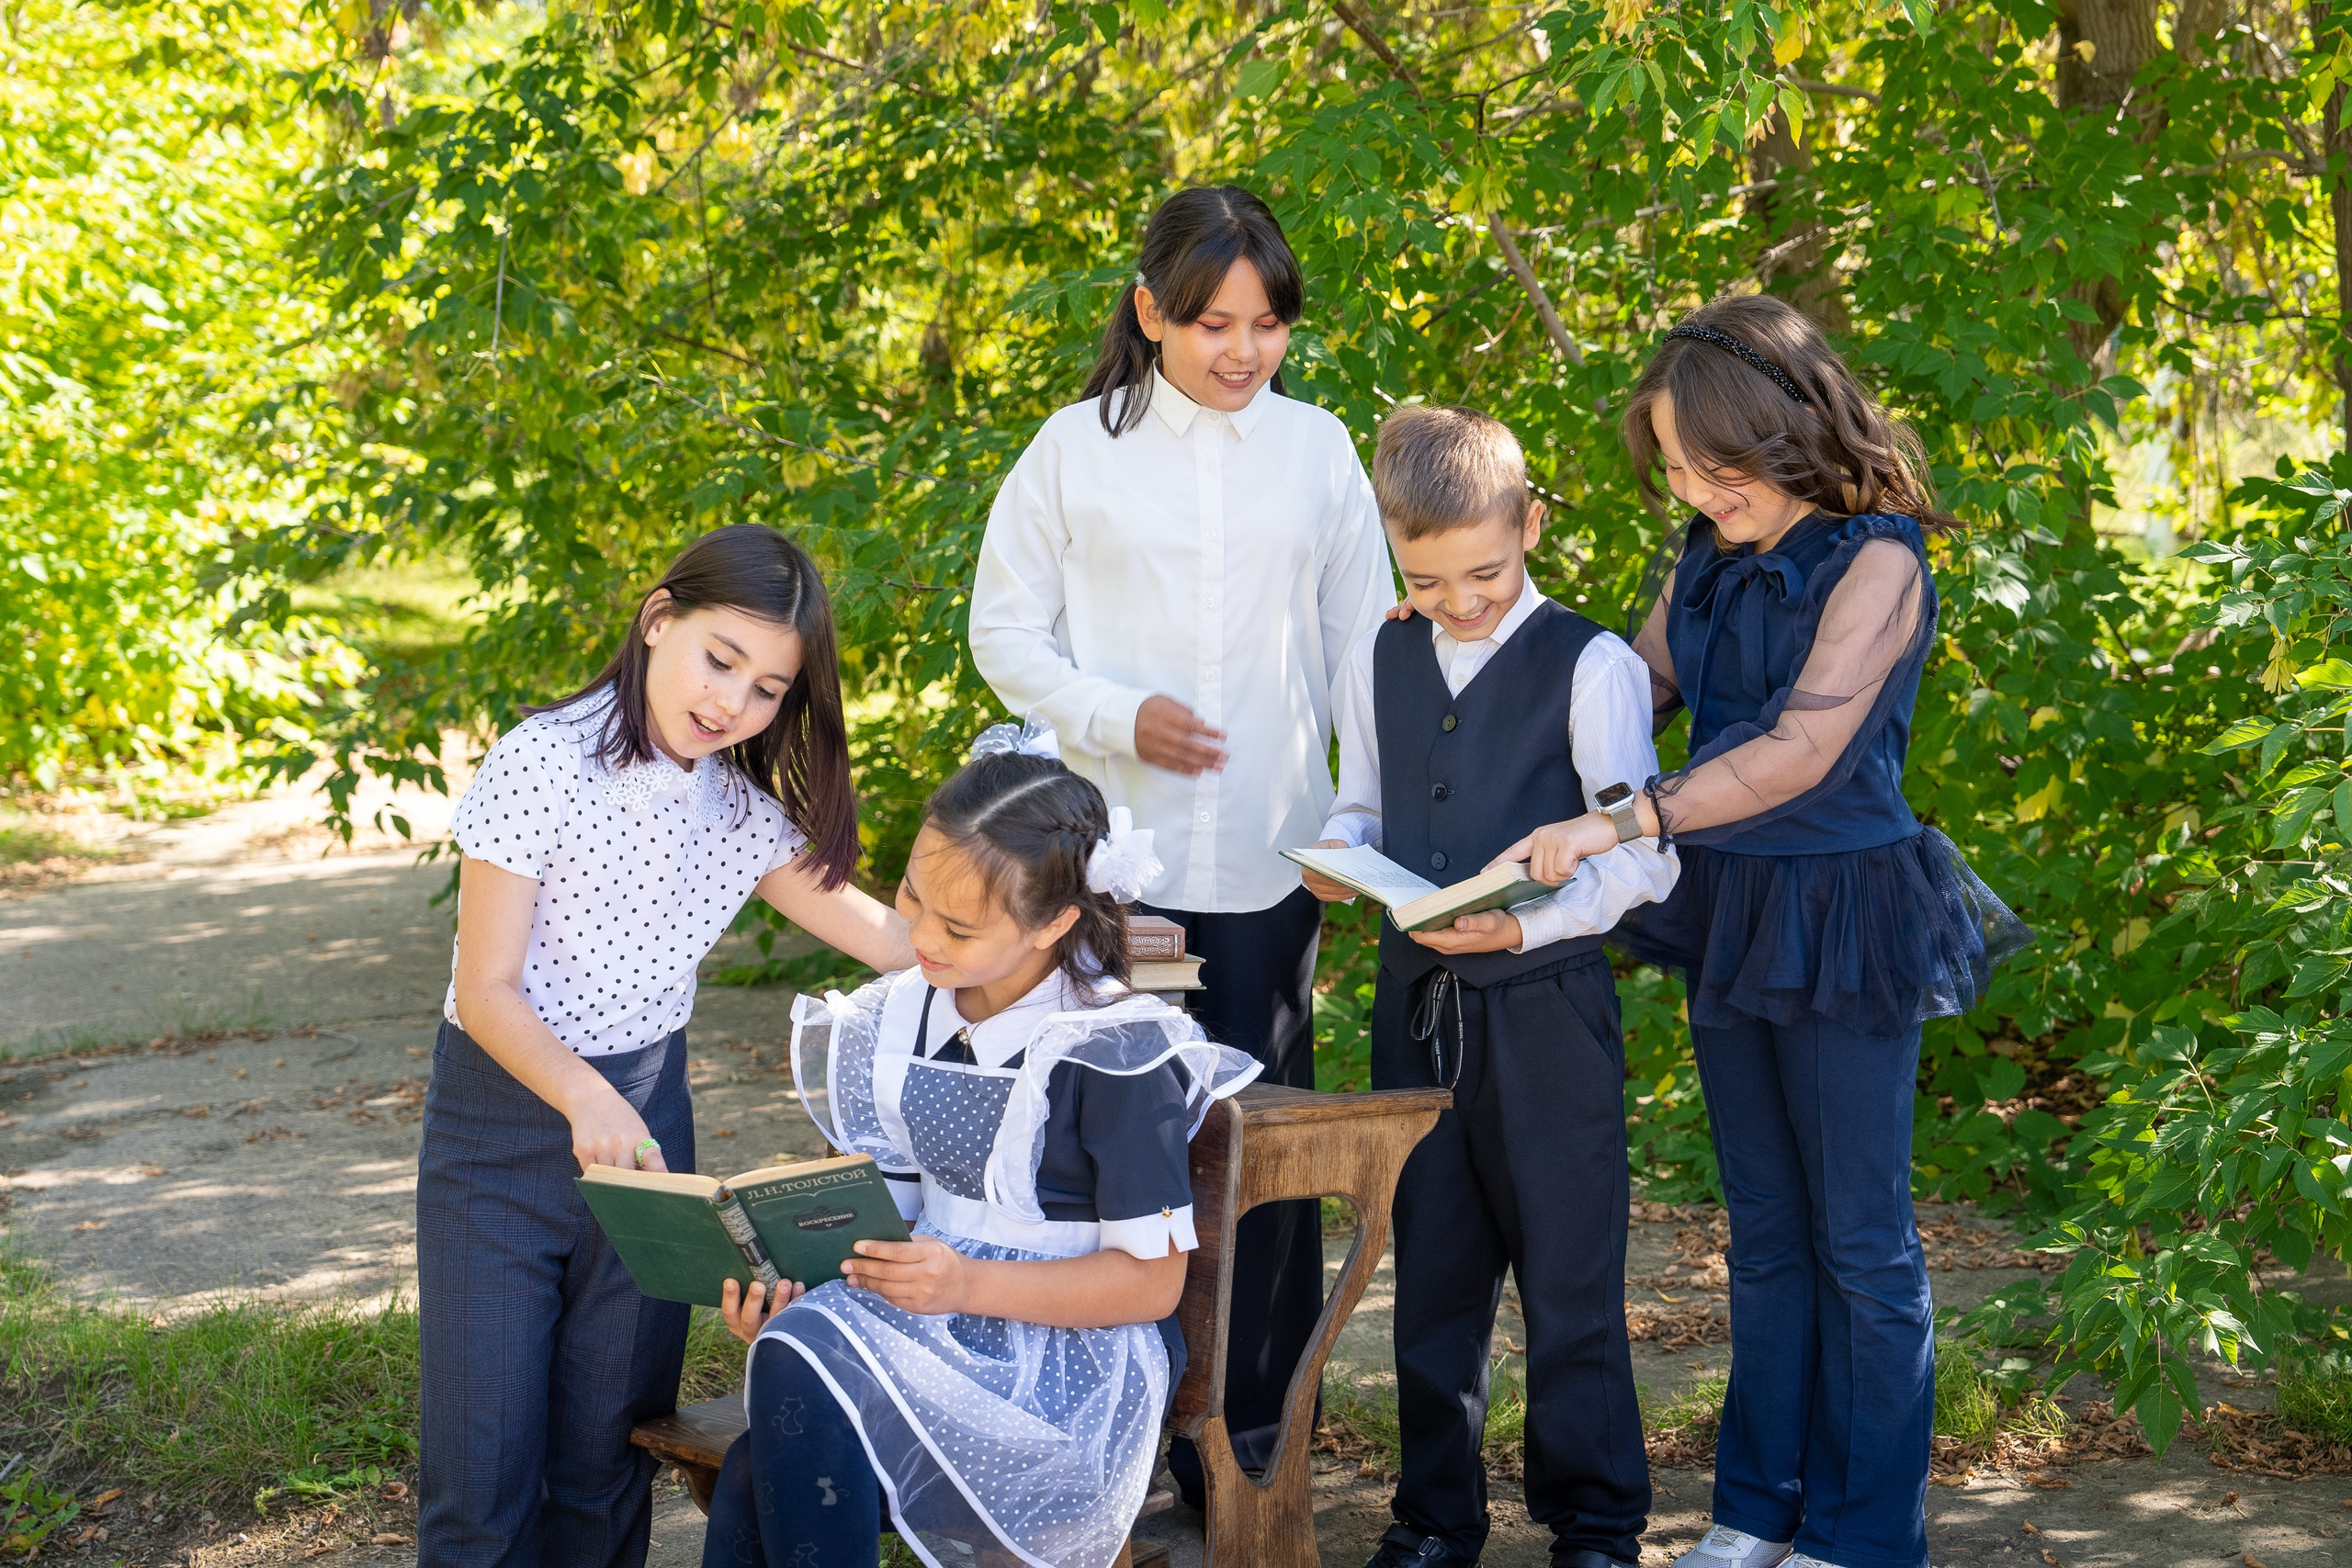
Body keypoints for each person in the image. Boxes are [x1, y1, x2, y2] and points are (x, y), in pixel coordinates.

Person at [1499, 296, 2030, 1568]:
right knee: (1766, 1225)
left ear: (1781, 430)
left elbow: (1800, 750)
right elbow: (1630, 686)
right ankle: (1755, 1511)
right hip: (1730, 903)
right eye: (1672, 465)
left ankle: (1857, 1533)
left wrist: (1629, 821)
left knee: (1861, 1237)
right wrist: (1480, 625)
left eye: (1707, 463)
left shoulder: (1881, 562)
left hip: (1848, 913)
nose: (1686, 485)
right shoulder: (1705, 551)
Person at [967, 183, 1391, 1495]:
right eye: (1212, 321)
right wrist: (1112, 714)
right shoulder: (1072, 448)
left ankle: (1251, 1444)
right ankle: (1118, 1440)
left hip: (1271, 867)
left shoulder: (1319, 450)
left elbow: (1364, 650)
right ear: (1151, 310)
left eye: (1266, 324)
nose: (1241, 350)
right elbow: (1004, 632)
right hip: (1118, 880)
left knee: (1260, 1154)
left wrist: (1357, 830)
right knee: (1121, 1150)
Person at [418, 525, 918, 1568]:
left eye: (769, 689)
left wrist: (1067, 937)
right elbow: (488, 987)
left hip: (649, 1140)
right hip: (499, 1132)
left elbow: (897, 942)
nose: (732, 703)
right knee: (482, 1464)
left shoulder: (738, 811)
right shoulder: (539, 762)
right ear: (657, 621)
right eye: (719, 659)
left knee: (605, 1453)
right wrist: (583, 1099)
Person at [700, 718, 1261, 1568]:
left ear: (1053, 924)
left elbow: (1152, 1285)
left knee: (774, 1432)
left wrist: (963, 1281)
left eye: (959, 930)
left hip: (1067, 1365)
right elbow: (894, 1216)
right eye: (913, 898)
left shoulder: (1109, 1048)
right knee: (777, 1404)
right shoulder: (903, 1013)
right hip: (934, 1319)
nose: (921, 938)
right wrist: (792, 1280)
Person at [1297, 405, 1679, 1568]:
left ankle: (1597, 1524)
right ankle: (1433, 1520)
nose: (1460, 601)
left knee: (1570, 1278)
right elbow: (1361, 801)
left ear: (1531, 524)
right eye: (1428, 576)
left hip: (1549, 1012)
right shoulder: (1382, 650)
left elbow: (1645, 854)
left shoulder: (1594, 663)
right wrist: (1337, 858)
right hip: (1416, 1010)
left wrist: (1524, 931)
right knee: (1435, 1269)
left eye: (1486, 572)